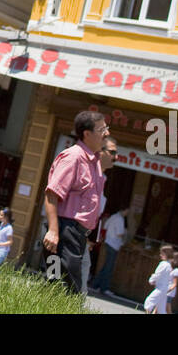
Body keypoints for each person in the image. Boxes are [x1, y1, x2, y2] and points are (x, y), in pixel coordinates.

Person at [43, 110, 107, 295]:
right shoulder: (73, 157)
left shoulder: (93, 161)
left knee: (58, 287)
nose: (106, 134)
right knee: (67, 288)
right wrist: (54, 231)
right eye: (102, 129)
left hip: (76, 235)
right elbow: (51, 194)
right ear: (87, 134)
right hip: (64, 232)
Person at [89, 205, 128, 296]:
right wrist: (126, 234)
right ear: (124, 210)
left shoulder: (113, 216)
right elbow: (119, 234)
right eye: (127, 211)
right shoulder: (120, 219)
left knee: (106, 266)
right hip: (114, 244)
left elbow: (105, 227)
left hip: (108, 242)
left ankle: (95, 284)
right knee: (109, 267)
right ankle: (104, 288)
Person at [144, 245, 177, 313]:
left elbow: (157, 274)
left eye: (162, 253)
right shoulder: (169, 265)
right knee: (161, 309)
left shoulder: (163, 264)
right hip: (164, 288)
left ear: (166, 254)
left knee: (148, 302)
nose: (160, 255)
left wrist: (151, 280)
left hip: (160, 288)